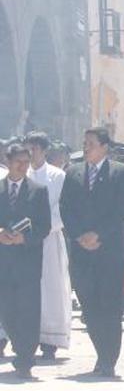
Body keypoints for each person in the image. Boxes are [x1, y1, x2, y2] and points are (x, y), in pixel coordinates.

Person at [60, 127, 124, 377]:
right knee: (89, 304)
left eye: (91, 143)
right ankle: (101, 352)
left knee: (109, 305)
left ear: (104, 147)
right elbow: (65, 208)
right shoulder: (73, 172)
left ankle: (108, 359)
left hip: (108, 249)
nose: (86, 147)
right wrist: (79, 235)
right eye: (84, 143)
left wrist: (98, 234)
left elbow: (123, 209)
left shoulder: (119, 172)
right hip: (81, 250)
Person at [0, 142, 51, 379]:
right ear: (7, 162)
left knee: (28, 311)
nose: (22, 166)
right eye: (17, 162)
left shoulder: (38, 191)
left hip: (28, 261)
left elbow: (44, 226)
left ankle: (25, 358)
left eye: (26, 162)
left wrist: (24, 238)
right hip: (3, 261)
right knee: (8, 310)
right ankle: (18, 345)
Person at [24, 132, 71, 360]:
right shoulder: (20, 173)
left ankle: (49, 340)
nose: (30, 153)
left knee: (50, 288)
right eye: (27, 148)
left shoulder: (57, 176)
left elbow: (62, 209)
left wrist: (41, 228)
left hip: (49, 239)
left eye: (34, 149)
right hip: (23, 242)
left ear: (44, 150)